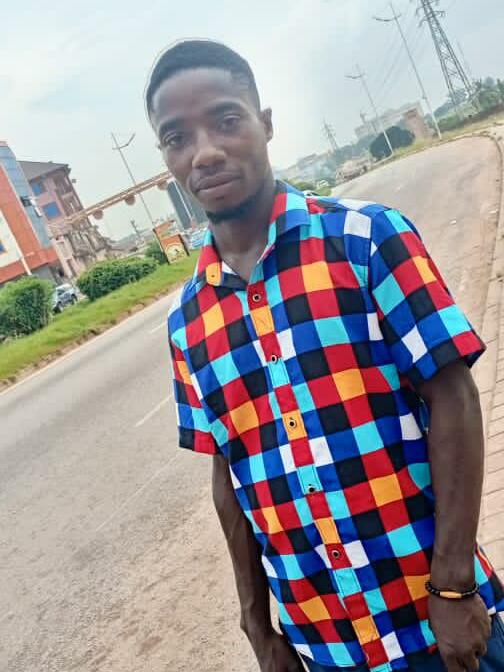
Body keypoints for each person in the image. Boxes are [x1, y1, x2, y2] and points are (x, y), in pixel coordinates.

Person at [145, 39, 504, 672]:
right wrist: (258, 627)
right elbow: (228, 474)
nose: (204, 152)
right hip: (325, 647)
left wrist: (452, 584)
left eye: (226, 120)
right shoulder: (187, 321)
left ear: (265, 123)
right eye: (177, 138)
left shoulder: (366, 239)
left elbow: (454, 396)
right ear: (166, 158)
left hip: (437, 626)